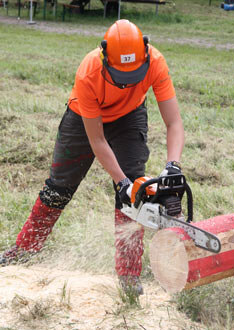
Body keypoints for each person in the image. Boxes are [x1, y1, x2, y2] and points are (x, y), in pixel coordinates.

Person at [0, 19, 184, 296]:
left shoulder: (156, 62)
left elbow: (174, 123)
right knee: (58, 188)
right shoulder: (89, 72)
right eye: (121, 77)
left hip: (130, 116)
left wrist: (172, 165)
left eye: (133, 76)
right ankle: (25, 249)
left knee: (134, 191)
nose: (126, 83)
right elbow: (96, 140)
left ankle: (128, 274)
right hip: (84, 119)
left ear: (145, 54)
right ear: (104, 56)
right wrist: (119, 181)